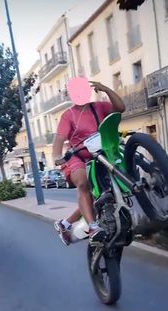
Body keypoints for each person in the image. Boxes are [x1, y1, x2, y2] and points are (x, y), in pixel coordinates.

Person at [52, 80, 126, 246]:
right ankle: (93, 227)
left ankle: (64, 223)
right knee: (84, 184)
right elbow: (59, 138)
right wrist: (57, 155)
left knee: (99, 195)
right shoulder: (68, 115)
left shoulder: (99, 107)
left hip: (101, 153)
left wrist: (106, 88)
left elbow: (121, 108)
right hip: (78, 156)